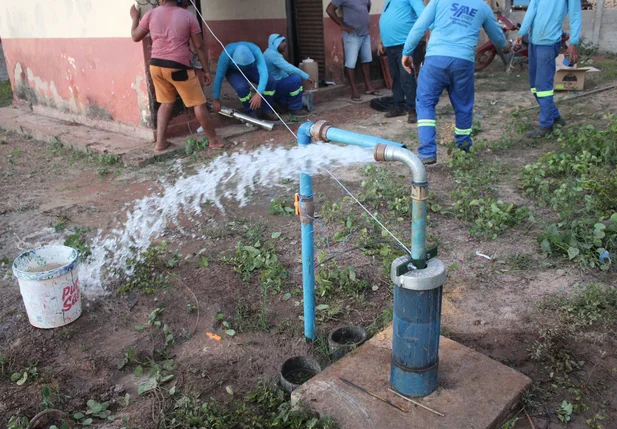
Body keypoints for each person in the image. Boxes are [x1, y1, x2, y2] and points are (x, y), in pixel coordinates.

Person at [401, 0, 508, 165]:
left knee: (425, 103)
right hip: (463, 62)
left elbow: (420, 26)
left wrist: (407, 52)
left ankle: (428, 152)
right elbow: (499, 40)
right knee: (463, 106)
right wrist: (507, 44)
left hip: (435, 60)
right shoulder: (483, 7)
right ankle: (464, 149)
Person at [130, 0, 227, 151]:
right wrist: (206, 70)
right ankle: (214, 140)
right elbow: (199, 46)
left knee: (166, 103)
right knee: (198, 103)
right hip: (178, 67)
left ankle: (160, 142)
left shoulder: (151, 14)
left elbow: (135, 36)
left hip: (156, 66)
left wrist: (135, 18)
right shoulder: (188, 16)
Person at [514, 0, 581, 138]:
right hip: (533, 41)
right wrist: (521, 34)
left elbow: (575, 15)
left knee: (543, 86)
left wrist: (573, 42)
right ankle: (555, 117)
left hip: (549, 42)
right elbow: (532, 10)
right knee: (534, 86)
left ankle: (546, 125)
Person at [377, 0, 426, 123]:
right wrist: (381, 41)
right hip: (390, 45)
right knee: (395, 77)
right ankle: (399, 106)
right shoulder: (389, 1)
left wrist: (422, 36)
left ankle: (413, 109)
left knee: (407, 78)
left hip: (406, 45)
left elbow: (423, 15)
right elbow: (386, 20)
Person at [326, 0, 380, 101]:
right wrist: (343, 25)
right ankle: (354, 90)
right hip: (352, 35)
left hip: (365, 33)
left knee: (366, 60)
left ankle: (369, 87)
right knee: (351, 63)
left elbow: (367, 9)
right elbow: (329, 10)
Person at [212, 42, 278, 121]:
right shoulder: (226, 55)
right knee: (241, 87)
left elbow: (263, 72)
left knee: (270, 80)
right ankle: (251, 112)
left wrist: (259, 93)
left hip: (251, 67)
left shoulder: (256, 50)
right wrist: (216, 99)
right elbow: (219, 77)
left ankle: (266, 110)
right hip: (233, 70)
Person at [264, 34, 315, 117]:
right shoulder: (272, 55)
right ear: (275, 43)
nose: (285, 44)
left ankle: (281, 105)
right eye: (282, 42)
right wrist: (306, 76)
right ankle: (295, 108)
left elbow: (282, 71)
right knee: (295, 79)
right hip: (272, 88)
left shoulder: (270, 52)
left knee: (293, 84)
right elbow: (289, 68)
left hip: (273, 87)